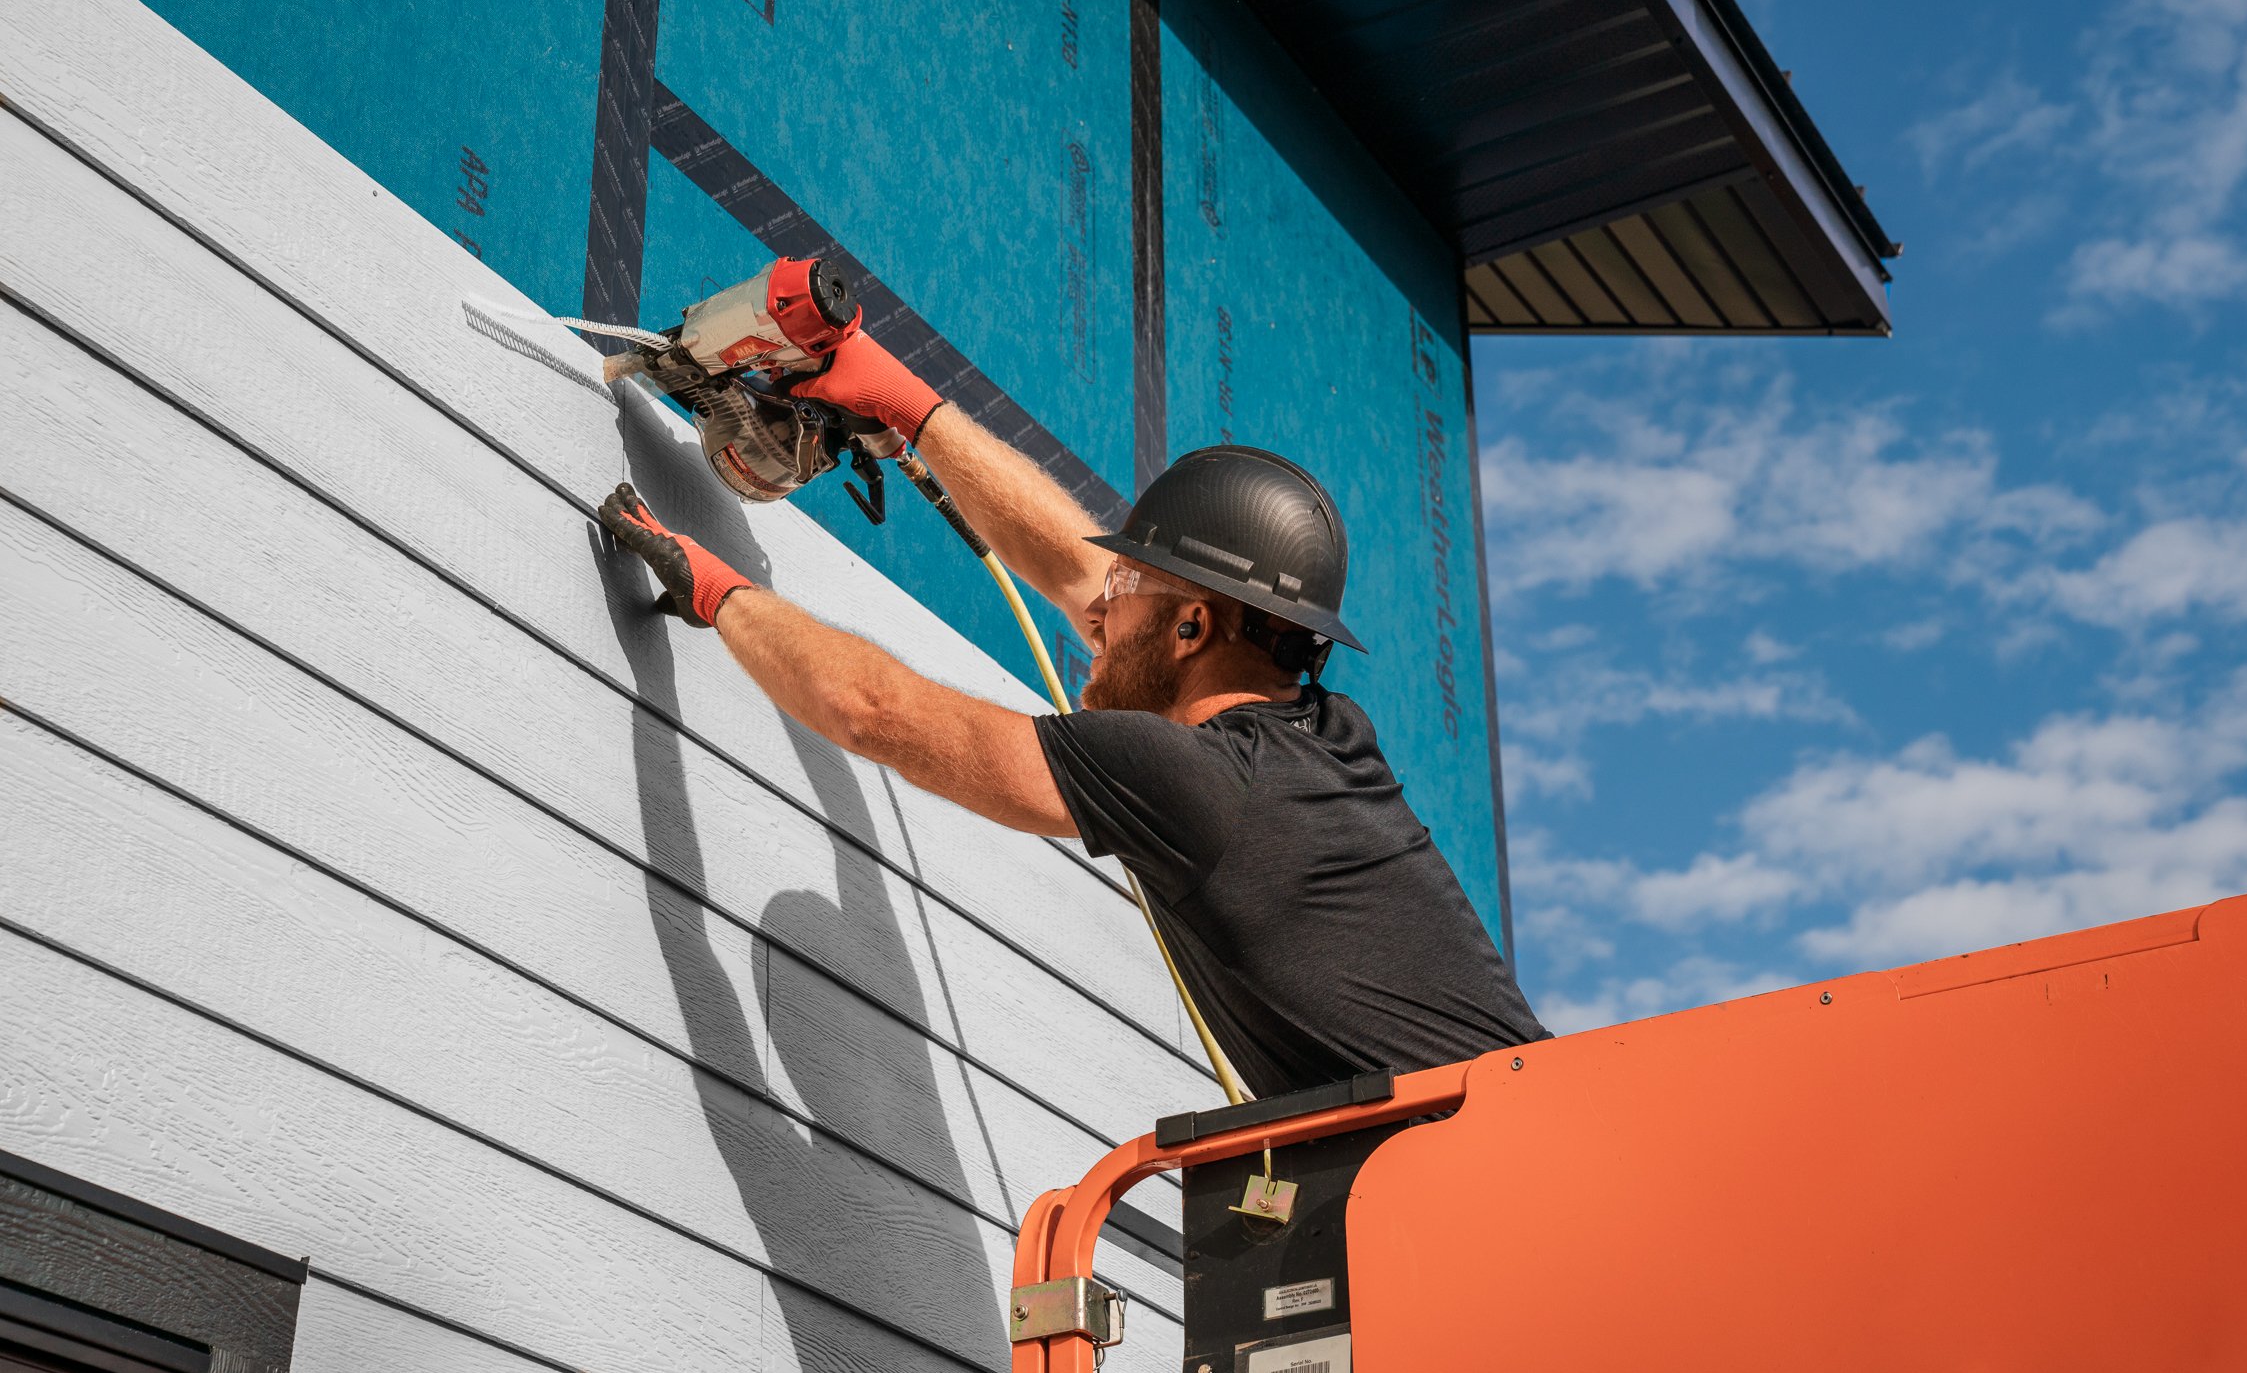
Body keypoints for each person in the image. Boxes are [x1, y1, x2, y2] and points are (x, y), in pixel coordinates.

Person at [597, 314, 1546, 1100]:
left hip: (1490, 1203)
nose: (1101, 602)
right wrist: (905, 405)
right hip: (1528, 1150)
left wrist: (721, 592)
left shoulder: (1198, 777)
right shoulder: (1327, 739)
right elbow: (1087, 577)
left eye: (1131, 582)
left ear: (1192, 630)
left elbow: (873, 711)